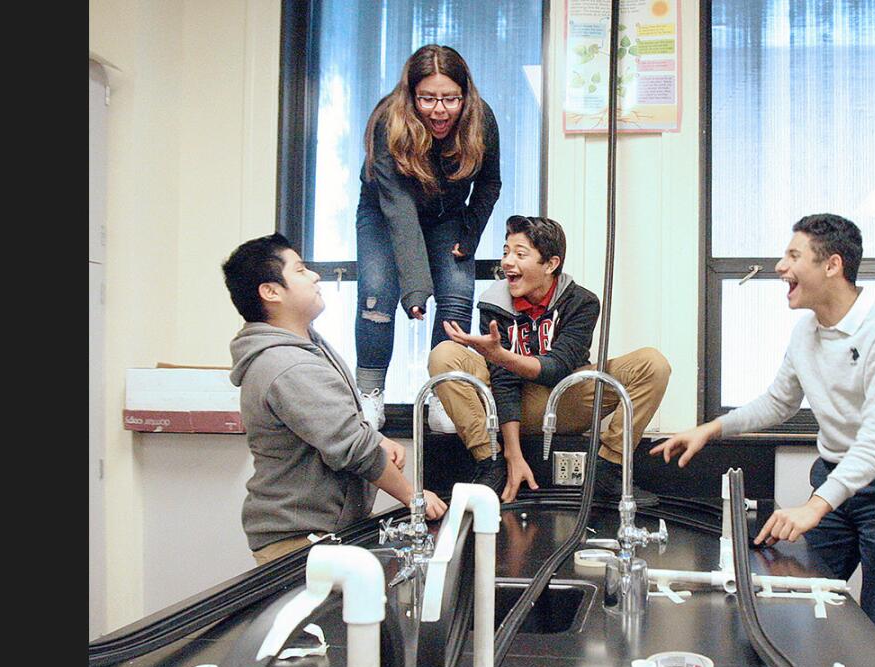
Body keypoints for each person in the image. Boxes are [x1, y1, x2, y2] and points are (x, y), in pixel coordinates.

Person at [652, 213, 875, 663]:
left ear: (832, 266)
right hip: (834, 481)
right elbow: (778, 403)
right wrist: (711, 428)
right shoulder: (806, 332)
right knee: (800, 606)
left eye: (793, 255)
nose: (780, 267)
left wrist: (814, 506)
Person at [224, 233, 447, 566]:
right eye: (299, 270)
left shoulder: (305, 346)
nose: (314, 276)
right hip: (300, 543)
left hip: (319, 535)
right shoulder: (287, 365)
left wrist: (379, 439)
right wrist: (413, 498)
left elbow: (337, 422)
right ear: (271, 292)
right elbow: (352, 447)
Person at [429, 215, 671, 504]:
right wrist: (511, 455)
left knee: (652, 363)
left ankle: (608, 468)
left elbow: (556, 368)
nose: (507, 262)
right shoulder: (495, 303)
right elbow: (503, 381)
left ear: (551, 264)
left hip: (563, 400)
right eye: (506, 252)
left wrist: (502, 356)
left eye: (520, 254)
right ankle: (489, 462)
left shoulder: (582, 302)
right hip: (505, 404)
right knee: (443, 354)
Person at [355, 43, 502, 428]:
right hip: (384, 212)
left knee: (456, 291)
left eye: (450, 99)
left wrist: (469, 235)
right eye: (428, 99)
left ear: (465, 95)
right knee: (377, 293)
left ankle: (443, 391)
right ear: (412, 95)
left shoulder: (481, 120)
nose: (440, 110)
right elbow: (399, 210)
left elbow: (489, 184)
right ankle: (370, 394)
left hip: (447, 214)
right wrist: (415, 286)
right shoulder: (388, 121)